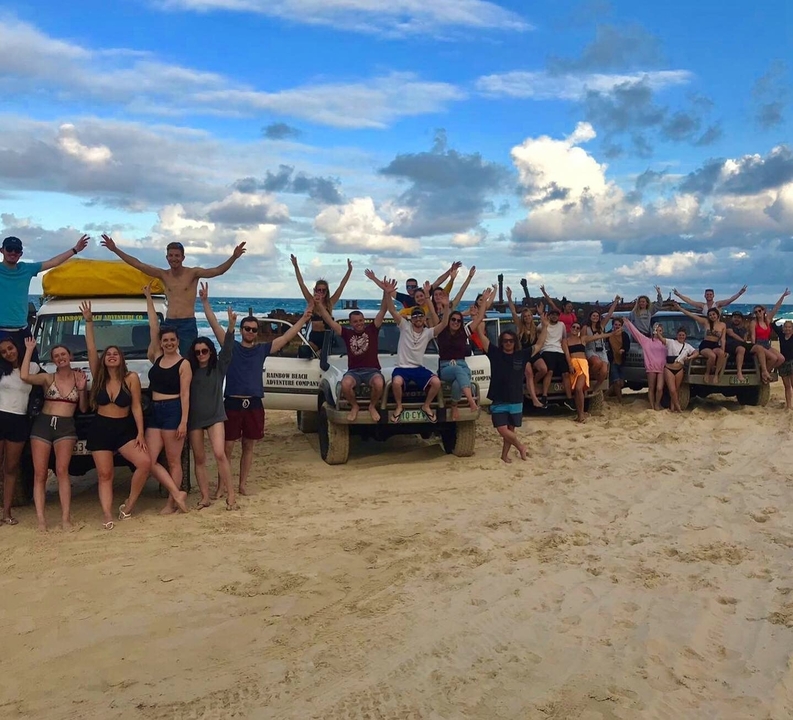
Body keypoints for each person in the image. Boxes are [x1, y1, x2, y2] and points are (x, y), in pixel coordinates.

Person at [80, 301, 180, 529]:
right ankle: (107, 514)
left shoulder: (131, 378)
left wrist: (140, 433)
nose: (111, 356)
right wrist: (89, 322)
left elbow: (135, 406)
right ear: (104, 359)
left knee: (144, 463)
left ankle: (129, 505)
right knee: (105, 475)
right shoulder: (99, 376)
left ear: (121, 358)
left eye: (115, 354)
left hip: (124, 429)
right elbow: (91, 348)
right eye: (108, 354)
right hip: (101, 429)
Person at [203, 294, 313, 496]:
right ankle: (221, 486)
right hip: (232, 403)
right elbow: (214, 325)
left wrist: (304, 319)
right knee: (227, 448)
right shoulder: (231, 346)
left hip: (254, 404)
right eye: (247, 328)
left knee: (248, 446)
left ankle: (242, 485)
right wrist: (204, 302)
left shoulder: (262, 350)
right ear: (241, 330)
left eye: (254, 329)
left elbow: (286, 338)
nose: (251, 332)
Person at [101, 235, 246, 355]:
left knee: (188, 359)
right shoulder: (163, 275)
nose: (174, 258)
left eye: (177, 255)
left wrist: (234, 257)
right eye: (171, 255)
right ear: (166, 257)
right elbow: (138, 265)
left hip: (187, 324)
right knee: (161, 357)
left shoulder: (193, 273)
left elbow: (218, 271)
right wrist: (115, 249)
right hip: (169, 322)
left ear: (183, 257)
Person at [20, 339, 88, 531]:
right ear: (53, 360)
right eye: (56, 356)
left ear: (70, 356)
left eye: (63, 354)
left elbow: (83, 408)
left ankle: (66, 519)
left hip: (66, 426)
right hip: (43, 425)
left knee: (62, 470)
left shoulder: (79, 376)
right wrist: (29, 350)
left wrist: (82, 389)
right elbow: (24, 376)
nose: (60, 358)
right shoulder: (47, 378)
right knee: (40, 473)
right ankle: (41, 520)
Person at [315, 275, 393, 423]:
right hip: (354, 371)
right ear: (351, 323)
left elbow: (383, 310)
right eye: (355, 321)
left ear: (364, 321)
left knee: (379, 383)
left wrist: (386, 292)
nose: (359, 323)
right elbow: (329, 321)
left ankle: (372, 406)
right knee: (345, 384)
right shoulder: (347, 333)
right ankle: (354, 406)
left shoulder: (372, 330)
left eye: (361, 320)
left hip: (372, 371)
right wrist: (319, 305)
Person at [143, 284, 192, 514]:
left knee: (173, 461)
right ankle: (177, 493)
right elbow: (153, 326)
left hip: (173, 410)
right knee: (149, 460)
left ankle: (171, 503)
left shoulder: (184, 364)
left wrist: (183, 421)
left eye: (172, 340)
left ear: (178, 341)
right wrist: (148, 298)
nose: (169, 343)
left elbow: (185, 394)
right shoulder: (156, 356)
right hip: (155, 411)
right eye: (165, 340)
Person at [470, 288, 533, 462]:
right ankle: (521, 446)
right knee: (501, 429)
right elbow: (480, 332)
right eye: (505, 341)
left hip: (515, 398)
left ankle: (504, 455)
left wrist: (545, 325)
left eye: (511, 341)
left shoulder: (520, 355)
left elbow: (540, 344)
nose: (508, 343)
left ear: (515, 342)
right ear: (501, 342)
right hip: (498, 398)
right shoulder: (495, 352)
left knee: (510, 429)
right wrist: (482, 306)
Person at [189, 284, 237, 509]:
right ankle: (205, 497)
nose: (201, 354)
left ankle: (231, 496)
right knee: (199, 459)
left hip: (216, 416)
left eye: (205, 351)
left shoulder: (218, 368)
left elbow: (227, 348)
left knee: (219, 454)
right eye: (197, 352)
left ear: (210, 351)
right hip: (194, 420)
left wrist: (231, 327)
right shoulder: (188, 370)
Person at [0, 234, 88, 351]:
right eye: (9, 248)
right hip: (1, 330)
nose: (13, 252)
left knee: (33, 362)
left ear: (21, 253)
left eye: (17, 250)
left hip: (23, 329)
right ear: (2, 250)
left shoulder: (26, 269)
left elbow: (53, 262)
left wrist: (75, 249)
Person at [383, 289, 449, 423]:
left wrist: (446, 306)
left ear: (424, 319)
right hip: (402, 368)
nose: (418, 318)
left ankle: (426, 405)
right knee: (396, 382)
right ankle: (399, 406)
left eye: (420, 316)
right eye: (415, 316)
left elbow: (444, 324)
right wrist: (388, 293)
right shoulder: (404, 326)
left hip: (418, 368)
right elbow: (392, 310)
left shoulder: (428, 333)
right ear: (411, 319)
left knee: (436, 382)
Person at [0, 335, 36, 525]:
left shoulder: (33, 367)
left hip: (19, 420)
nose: (8, 353)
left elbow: (27, 377)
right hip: (1, 416)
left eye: (10, 348)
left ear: (17, 347)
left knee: (11, 468)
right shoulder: (1, 370)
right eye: (3, 352)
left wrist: (29, 350)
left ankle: (7, 513)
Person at [290, 254, 352, 350]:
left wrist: (349, 270)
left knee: (324, 355)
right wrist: (296, 266)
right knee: (306, 351)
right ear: (315, 290)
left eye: (324, 290)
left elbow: (341, 286)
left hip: (327, 336)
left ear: (327, 291)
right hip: (314, 337)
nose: (321, 292)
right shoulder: (311, 301)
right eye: (319, 290)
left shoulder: (330, 302)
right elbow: (301, 284)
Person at [564, 320, 613, 423]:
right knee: (577, 391)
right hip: (573, 364)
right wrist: (570, 365)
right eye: (574, 327)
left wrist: (612, 333)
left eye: (578, 328)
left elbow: (598, 336)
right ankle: (579, 414)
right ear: (570, 328)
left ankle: (581, 414)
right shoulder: (565, 341)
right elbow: (567, 354)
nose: (575, 329)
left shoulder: (582, 339)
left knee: (579, 388)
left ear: (579, 330)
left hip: (583, 364)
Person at [436, 309, 481, 420]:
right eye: (453, 319)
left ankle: (454, 405)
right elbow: (433, 314)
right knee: (458, 370)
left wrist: (485, 301)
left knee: (458, 383)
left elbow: (479, 319)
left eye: (459, 320)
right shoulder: (441, 332)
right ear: (448, 320)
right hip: (445, 366)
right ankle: (471, 401)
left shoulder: (463, 333)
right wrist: (446, 305)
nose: (456, 322)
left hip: (462, 364)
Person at [505, 287, 545, 408]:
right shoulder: (520, 326)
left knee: (543, 369)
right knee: (529, 372)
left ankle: (532, 384)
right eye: (525, 316)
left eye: (529, 315)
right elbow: (513, 311)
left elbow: (545, 327)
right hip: (523, 354)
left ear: (532, 316)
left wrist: (541, 313)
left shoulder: (536, 328)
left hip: (534, 353)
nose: (527, 317)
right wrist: (509, 298)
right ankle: (534, 399)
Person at [674, 304, 727, 383]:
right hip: (706, 344)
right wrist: (680, 308)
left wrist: (723, 349)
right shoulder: (706, 322)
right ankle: (707, 373)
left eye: (713, 314)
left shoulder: (723, 325)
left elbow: (723, 339)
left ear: (717, 315)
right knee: (712, 356)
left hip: (715, 344)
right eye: (710, 315)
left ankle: (716, 374)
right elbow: (691, 315)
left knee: (721, 354)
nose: (712, 316)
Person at [623, 319, 668, 410]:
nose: (658, 332)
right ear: (653, 331)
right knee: (651, 387)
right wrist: (627, 322)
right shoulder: (646, 341)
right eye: (656, 330)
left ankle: (657, 403)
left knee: (659, 388)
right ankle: (652, 406)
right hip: (651, 368)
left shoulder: (666, 342)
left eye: (660, 331)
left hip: (662, 368)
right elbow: (636, 333)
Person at [749, 291, 789, 383]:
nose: (758, 313)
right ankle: (765, 374)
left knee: (781, 359)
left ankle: (765, 372)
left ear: (763, 311)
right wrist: (754, 348)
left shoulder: (767, 320)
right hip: (759, 344)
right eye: (756, 312)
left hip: (767, 344)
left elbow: (776, 308)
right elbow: (752, 336)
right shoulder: (754, 323)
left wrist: (783, 296)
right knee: (773, 358)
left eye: (759, 311)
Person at [534, 307, 570, 406]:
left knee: (566, 373)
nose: (554, 316)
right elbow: (538, 333)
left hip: (559, 350)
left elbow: (564, 339)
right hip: (547, 349)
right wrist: (542, 317)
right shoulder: (543, 324)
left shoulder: (562, 325)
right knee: (549, 371)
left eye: (556, 315)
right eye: (552, 314)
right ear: (549, 315)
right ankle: (544, 396)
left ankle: (569, 398)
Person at [582, 297, 620, 392]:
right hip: (590, 349)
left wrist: (615, 302)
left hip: (601, 350)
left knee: (604, 371)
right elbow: (582, 341)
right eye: (593, 316)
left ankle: (595, 388)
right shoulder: (586, 328)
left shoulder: (601, 326)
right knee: (597, 363)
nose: (595, 317)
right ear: (590, 317)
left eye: (597, 316)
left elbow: (609, 314)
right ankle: (588, 377)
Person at [395, 262, 459, 309]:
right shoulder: (404, 298)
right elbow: (390, 292)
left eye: (413, 287)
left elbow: (438, 281)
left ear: (417, 287)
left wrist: (451, 270)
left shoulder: (425, 293)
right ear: (406, 288)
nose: (411, 289)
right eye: (408, 287)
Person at [663, 328, 699, 412]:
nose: (681, 336)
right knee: (672, 389)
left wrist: (689, 357)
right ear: (677, 335)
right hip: (669, 368)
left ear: (685, 336)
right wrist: (657, 332)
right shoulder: (671, 342)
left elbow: (696, 352)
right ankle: (678, 407)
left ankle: (672, 407)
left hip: (679, 369)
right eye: (680, 335)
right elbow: (662, 339)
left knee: (676, 389)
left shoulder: (687, 346)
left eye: (683, 335)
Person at [672, 284, 748, 317]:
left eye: (710, 294)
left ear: (713, 295)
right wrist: (679, 295)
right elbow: (690, 301)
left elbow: (729, 300)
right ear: (704, 296)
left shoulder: (717, 304)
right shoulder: (702, 305)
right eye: (707, 294)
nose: (709, 296)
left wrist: (739, 293)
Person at [606, 316, 631, 402]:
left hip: (622, 360)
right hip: (613, 360)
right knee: (616, 382)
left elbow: (627, 346)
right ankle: (620, 400)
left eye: (619, 325)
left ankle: (606, 394)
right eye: (616, 324)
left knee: (621, 383)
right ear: (613, 325)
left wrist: (623, 349)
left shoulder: (624, 335)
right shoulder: (608, 335)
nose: (617, 326)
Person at [724, 311, 754, 382]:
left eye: (738, 318)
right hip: (730, 345)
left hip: (741, 345)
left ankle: (763, 371)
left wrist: (745, 341)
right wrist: (743, 341)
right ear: (732, 318)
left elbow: (745, 338)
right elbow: (731, 334)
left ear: (741, 319)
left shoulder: (743, 329)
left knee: (758, 348)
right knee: (741, 349)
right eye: (735, 317)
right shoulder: (728, 325)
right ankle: (739, 372)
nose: (736, 319)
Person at [772, 318, 793, 410]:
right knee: (786, 386)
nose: (787, 329)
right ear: (783, 328)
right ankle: (788, 405)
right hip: (783, 363)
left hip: (792, 362)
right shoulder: (781, 335)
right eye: (786, 327)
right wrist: (775, 319)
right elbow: (773, 325)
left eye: (789, 327)